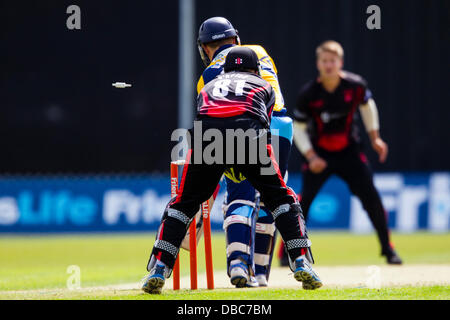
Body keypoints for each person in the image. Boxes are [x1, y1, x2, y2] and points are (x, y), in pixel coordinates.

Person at [141, 47, 322, 294]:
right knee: (282, 199)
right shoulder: (264, 85)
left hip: (207, 138)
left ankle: (159, 268)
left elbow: (206, 117)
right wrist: (251, 169)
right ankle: (301, 261)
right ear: (255, 68)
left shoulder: (207, 86)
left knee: (182, 204)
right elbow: (263, 124)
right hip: (248, 134)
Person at [196, 17, 293, 287]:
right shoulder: (260, 52)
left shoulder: (207, 76)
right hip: (281, 126)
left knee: (240, 195)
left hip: (242, 126)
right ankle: (261, 274)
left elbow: (208, 122)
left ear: (205, 47)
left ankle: (239, 263)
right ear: (235, 39)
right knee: (272, 197)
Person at [291, 40, 402, 265]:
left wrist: (375, 138)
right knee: (302, 204)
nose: (329, 65)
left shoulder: (355, 86)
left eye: (333, 60)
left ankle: (388, 249)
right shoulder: (309, 94)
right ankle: (290, 254)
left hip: (349, 152)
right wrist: (311, 156)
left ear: (340, 62)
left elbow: (367, 107)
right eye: (324, 61)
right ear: (318, 64)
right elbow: (298, 128)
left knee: (372, 198)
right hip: (319, 155)